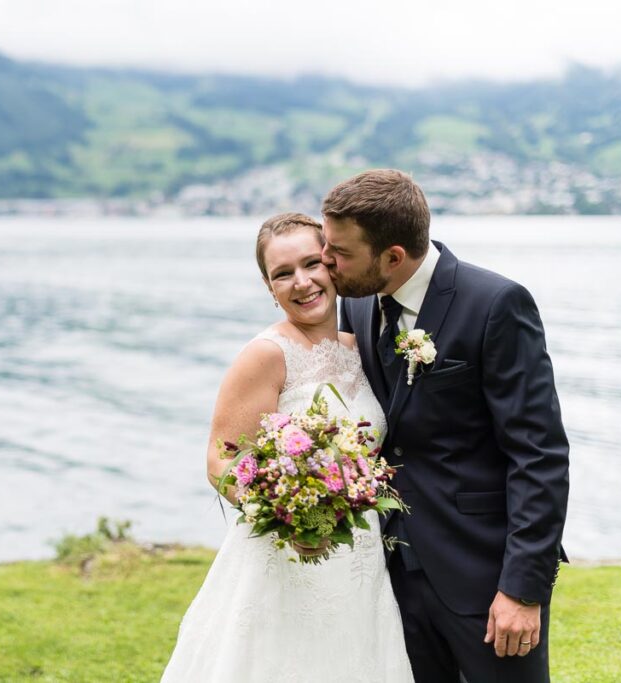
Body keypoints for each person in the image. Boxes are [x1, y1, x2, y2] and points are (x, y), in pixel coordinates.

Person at [320, 169, 569, 683]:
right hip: (387, 574)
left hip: (481, 574)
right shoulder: (358, 300)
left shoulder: (496, 305)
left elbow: (538, 454)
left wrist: (522, 589)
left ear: (392, 256)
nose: (326, 261)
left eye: (339, 251)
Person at [162, 213, 413, 683]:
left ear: (333, 264)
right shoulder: (266, 354)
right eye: (282, 274)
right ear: (268, 286)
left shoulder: (362, 346)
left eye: (311, 264)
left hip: (360, 561)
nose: (302, 282)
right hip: (286, 558)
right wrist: (287, 513)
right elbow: (220, 460)